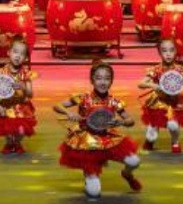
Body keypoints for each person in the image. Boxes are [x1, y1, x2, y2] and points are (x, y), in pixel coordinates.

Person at [54, 62, 141, 198]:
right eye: (98, 78)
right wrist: (68, 113)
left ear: (111, 81)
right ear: (92, 80)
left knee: (134, 161)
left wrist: (121, 122)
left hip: (108, 139)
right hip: (87, 143)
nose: (103, 82)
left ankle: (127, 174)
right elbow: (57, 106)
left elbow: (131, 121)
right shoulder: (83, 98)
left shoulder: (114, 101)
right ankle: (90, 175)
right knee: (94, 193)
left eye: (107, 78)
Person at [138, 38, 183, 153]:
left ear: (176, 51)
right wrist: (153, 85)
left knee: (173, 126)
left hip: (175, 102)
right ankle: (150, 140)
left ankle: (175, 142)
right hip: (158, 102)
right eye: (164, 51)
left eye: (171, 50)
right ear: (159, 53)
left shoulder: (180, 69)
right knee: (152, 135)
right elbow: (141, 84)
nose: (168, 54)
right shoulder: (156, 69)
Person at [0, 38, 38, 154]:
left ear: (26, 58)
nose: (17, 56)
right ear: (9, 52)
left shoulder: (26, 74)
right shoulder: (0, 73)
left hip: (21, 107)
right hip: (5, 106)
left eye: (22, 54)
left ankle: (17, 143)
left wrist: (23, 86)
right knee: (7, 131)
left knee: (21, 131)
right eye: (15, 52)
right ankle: (9, 143)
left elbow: (30, 94)